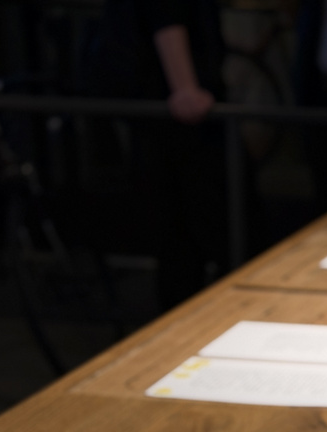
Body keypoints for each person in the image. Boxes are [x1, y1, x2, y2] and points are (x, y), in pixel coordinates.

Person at [86, 1, 227, 308]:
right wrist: (185, 88)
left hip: (164, 119)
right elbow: (167, 17)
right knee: (193, 239)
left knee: (182, 243)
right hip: (177, 123)